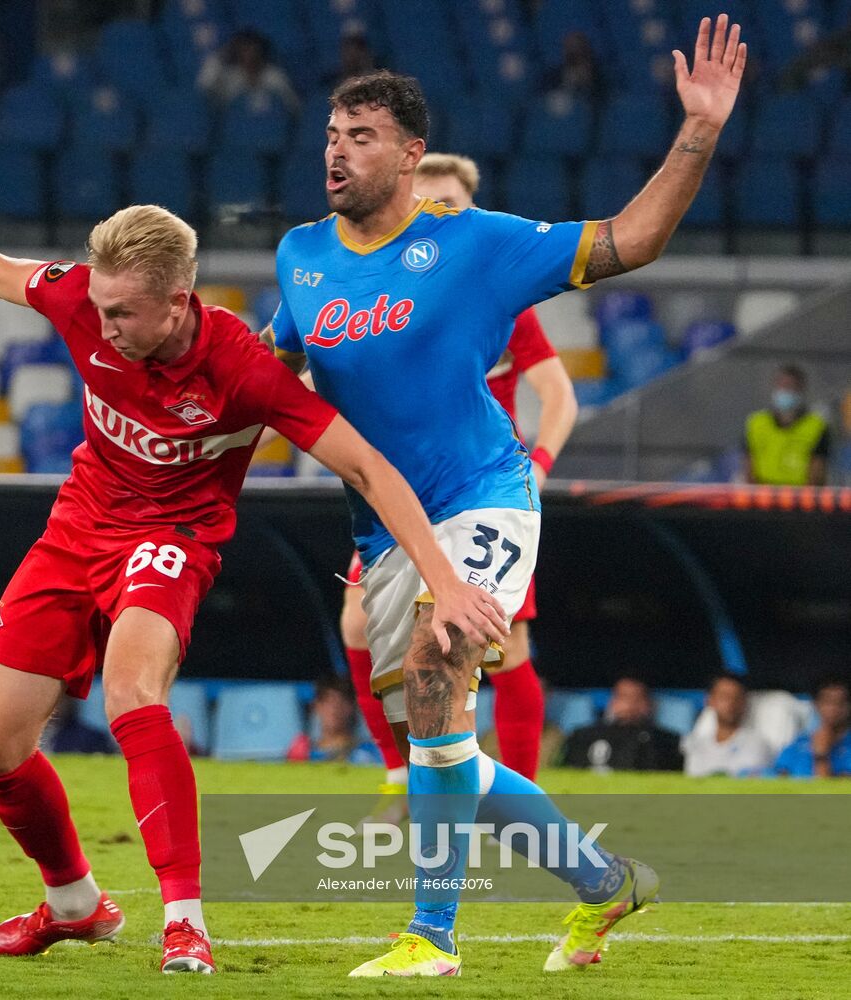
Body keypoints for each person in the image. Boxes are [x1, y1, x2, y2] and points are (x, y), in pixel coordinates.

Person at [0, 204, 507, 975]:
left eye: (122, 313)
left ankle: (184, 921)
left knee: (130, 692)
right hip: (77, 527)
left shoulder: (243, 370)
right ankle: (75, 905)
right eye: (98, 307)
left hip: (173, 539)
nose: (102, 327)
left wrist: (445, 581)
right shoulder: (83, 301)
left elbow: (366, 465)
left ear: (178, 302)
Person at [262, 13, 746, 976]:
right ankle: (608, 885)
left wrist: (699, 129)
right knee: (452, 761)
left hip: (483, 496)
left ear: (411, 155)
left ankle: (429, 937)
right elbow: (272, 370)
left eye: (361, 137)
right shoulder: (300, 256)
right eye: (330, 134)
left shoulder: (477, 245)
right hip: (383, 528)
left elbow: (634, 238)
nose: (337, 151)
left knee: (445, 667)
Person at [341, 151, 579, 795]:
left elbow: (558, 394)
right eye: (431, 203)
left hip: (482, 490)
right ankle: (402, 778)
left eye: (454, 204)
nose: (442, 214)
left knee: (503, 645)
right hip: (404, 489)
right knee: (358, 623)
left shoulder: (500, 299)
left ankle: (521, 796)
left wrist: (542, 463)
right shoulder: (384, 294)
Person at [563, 677, 686, 772]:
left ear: (648, 705)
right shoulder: (584, 736)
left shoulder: (666, 741)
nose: (629, 705)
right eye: (623, 697)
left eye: (636, 699)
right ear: (612, 702)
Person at [744, 365, 830, 486]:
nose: (786, 391)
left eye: (791, 387)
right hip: (763, 496)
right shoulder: (756, 423)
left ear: (801, 390)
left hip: (799, 497)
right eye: (783, 386)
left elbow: (818, 470)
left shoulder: (816, 426)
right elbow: (748, 465)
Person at [681, 673, 775, 777]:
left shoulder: (757, 745)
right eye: (724, 697)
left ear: (744, 703)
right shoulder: (696, 746)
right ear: (710, 700)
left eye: (737, 697)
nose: (731, 703)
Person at [196, 28, 300, 115]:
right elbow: (206, 89)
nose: (249, 55)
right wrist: (220, 58)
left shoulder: (275, 76)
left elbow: (293, 107)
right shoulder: (231, 77)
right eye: (244, 49)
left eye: (252, 49)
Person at [287, 675, 380, 764]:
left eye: (341, 702)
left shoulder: (366, 752)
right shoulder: (302, 753)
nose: (334, 709)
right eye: (327, 701)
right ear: (316, 705)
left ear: (352, 707)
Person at [768, 678, 851, 778]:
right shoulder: (799, 743)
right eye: (827, 702)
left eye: (840, 702)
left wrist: (821, 755)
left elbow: (835, 792)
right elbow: (778, 780)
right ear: (816, 704)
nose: (833, 708)